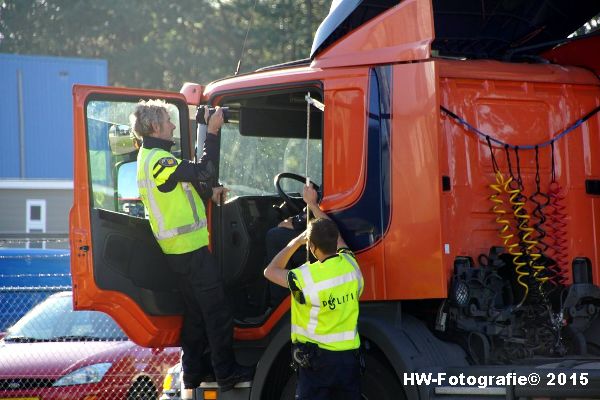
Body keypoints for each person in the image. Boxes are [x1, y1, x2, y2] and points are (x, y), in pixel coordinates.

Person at [131, 100, 253, 392]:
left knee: (197, 316)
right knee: (218, 312)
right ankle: (226, 373)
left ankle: (192, 375)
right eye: (168, 121)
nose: (173, 125)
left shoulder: (152, 157)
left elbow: (184, 185)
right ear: (155, 127)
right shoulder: (159, 160)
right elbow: (205, 170)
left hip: (180, 252)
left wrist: (208, 192)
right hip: (189, 251)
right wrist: (211, 132)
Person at [264, 185, 364, 399]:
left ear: (311, 247)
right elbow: (337, 239)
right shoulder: (351, 265)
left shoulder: (304, 278)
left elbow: (270, 271)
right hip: (348, 362)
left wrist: (295, 242)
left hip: (316, 364)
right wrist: (313, 205)